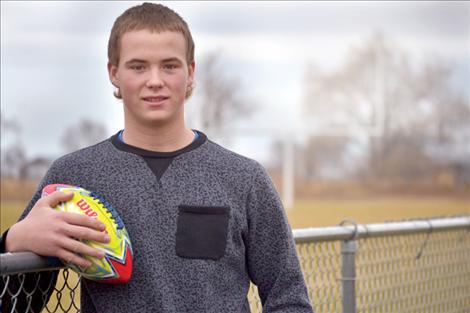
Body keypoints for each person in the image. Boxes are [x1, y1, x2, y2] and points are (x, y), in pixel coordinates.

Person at [1, 3, 314, 312]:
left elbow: (289, 299)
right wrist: (13, 242)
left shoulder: (244, 178)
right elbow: (14, 304)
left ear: (190, 73)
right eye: (138, 66)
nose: (155, 80)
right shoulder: (74, 176)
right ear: (114, 73)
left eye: (170, 65)